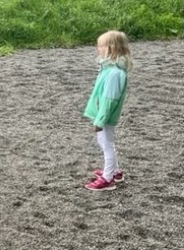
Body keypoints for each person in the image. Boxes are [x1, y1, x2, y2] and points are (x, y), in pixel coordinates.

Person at [83, 30, 133, 191]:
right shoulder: (110, 69)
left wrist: (100, 120)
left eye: (101, 46)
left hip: (104, 116)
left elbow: (109, 101)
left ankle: (107, 178)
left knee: (106, 145)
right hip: (104, 115)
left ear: (111, 48)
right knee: (107, 143)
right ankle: (115, 172)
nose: (98, 49)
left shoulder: (114, 73)